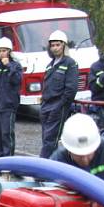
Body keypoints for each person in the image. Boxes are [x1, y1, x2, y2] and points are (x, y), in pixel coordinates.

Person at [39, 30, 79, 158]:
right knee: (46, 139)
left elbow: (71, 89)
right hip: (46, 106)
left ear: (64, 45)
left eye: (58, 45)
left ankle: (43, 167)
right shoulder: (50, 65)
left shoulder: (70, 64)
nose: (55, 48)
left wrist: (61, 105)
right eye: (53, 45)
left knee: (51, 141)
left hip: (58, 106)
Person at [0, 37, 23, 157]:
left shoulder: (15, 65)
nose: (1, 53)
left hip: (8, 106)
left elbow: (17, 81)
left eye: (4, 50)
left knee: (6, 134)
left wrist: (9, 66)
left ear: (9, 51)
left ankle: (8, 158)